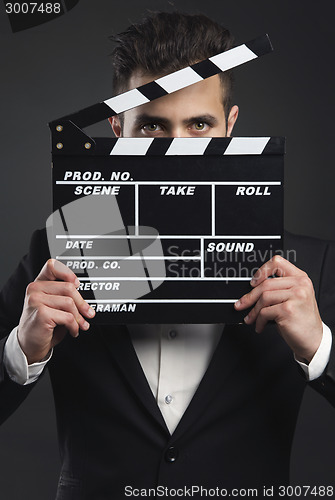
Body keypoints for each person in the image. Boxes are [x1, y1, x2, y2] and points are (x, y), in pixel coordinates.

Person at [1, 11, 335, 500]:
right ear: (117, 130)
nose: (178, 149)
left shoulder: (306, 265)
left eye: (199, 124)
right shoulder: (57, 253)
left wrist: (319, 347)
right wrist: (23, 350)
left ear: (230, 127)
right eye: (153, 128)